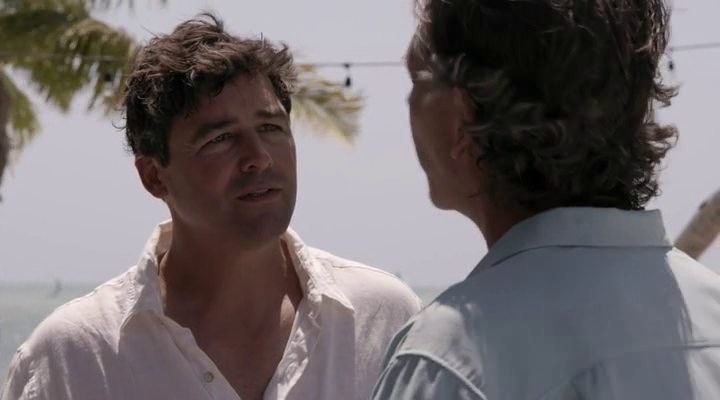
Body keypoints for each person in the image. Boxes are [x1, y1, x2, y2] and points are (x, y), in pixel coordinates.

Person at [2, 14, 420, 400]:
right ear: (154, 176)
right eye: (220, 139)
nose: (258, 157)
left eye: (271, 128)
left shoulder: (381, 318)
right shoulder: (71, 359)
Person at [373, 0, 720, 399]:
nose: (409, 103)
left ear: (461, 116)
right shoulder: (711, 312)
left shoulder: (452, 357)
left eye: (416, 81)